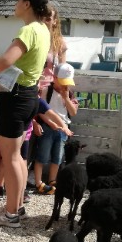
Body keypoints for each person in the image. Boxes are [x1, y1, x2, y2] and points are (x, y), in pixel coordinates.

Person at [0, 0, 50, 228]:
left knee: (11, 158)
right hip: (29, 96)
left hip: (14, 97)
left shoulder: (28, 30)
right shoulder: (44, 29)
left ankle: (10, 214)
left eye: (18, 0)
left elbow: (5, 61)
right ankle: (17, 207)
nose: (15, 4)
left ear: (27, 4)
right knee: (19, 157)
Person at [33, 63, 79, 195]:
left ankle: (52, 180)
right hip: (47, 127)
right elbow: (41, 110)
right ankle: (38, 182)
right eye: (62, 81)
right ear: (54, 78)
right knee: (42, 155)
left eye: (67, 81)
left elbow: (73, 112)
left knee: (57, 158)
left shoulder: (69, 93)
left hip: (63, 130)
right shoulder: (46, 91)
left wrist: (66, 98)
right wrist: (50, 123)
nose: (65, 84)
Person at [37, 4, 68, 99]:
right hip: (32, 88)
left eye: (48, 19)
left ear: (55, 21)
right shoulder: (33, 38)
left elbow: (63, 70)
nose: (43, 22)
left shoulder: (59, 43)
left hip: (50, 90)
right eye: (41, 18)